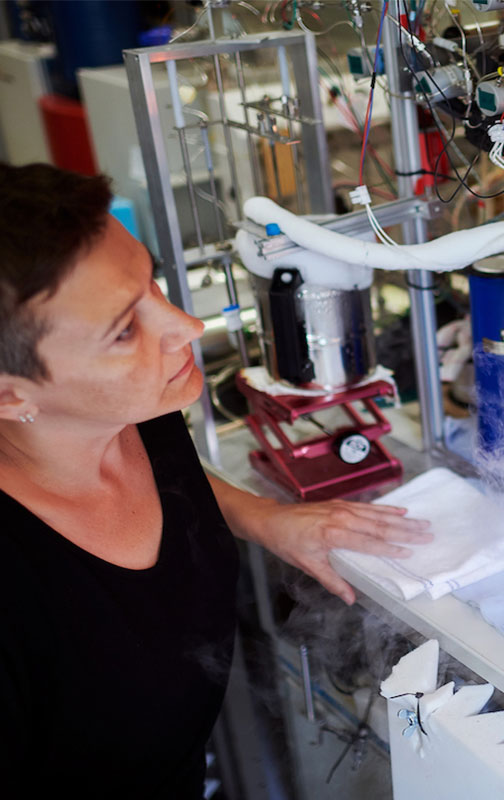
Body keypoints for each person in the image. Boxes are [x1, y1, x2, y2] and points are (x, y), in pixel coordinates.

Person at [0, 163, 432, 798]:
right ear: (11, 397)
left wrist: (262, 517)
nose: (186, 327)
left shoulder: (137, 415)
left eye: (151, 282)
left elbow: (176, 478)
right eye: (124, 330)